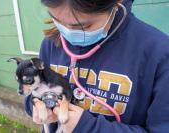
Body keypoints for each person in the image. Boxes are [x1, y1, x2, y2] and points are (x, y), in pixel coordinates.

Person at [25, 0, 169, 132]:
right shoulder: (50, 43)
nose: (67, 32)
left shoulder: (158, 52)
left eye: (84, 26)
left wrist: (88, 128)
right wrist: (35, 105)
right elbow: (34, 90)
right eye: (57, 20)